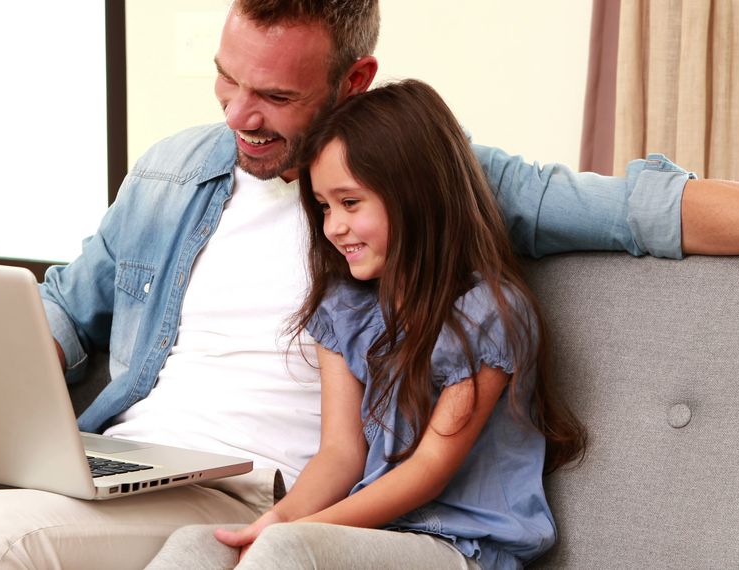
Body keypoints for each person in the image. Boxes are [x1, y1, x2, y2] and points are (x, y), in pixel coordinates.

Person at [0, 0, 739, 567]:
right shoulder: (170, 168)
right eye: (227, 79)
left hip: (257, 486)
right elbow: (61, 312)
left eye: (274, 96)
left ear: (354, 83)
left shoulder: (438, 188)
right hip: (113, 456)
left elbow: (647, 209)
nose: (238, 115)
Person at [150, 78, 587, 569]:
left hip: (461, 548)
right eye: (323, 206)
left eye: (350, 203)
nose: (333, 226)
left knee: (288, 548)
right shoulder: (346, 308)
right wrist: (280, 518)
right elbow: (339, 454)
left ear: (415, 196)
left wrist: (299, 531)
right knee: (200, 544)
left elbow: (428, 471)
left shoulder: (489, 315)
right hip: (375, 536)